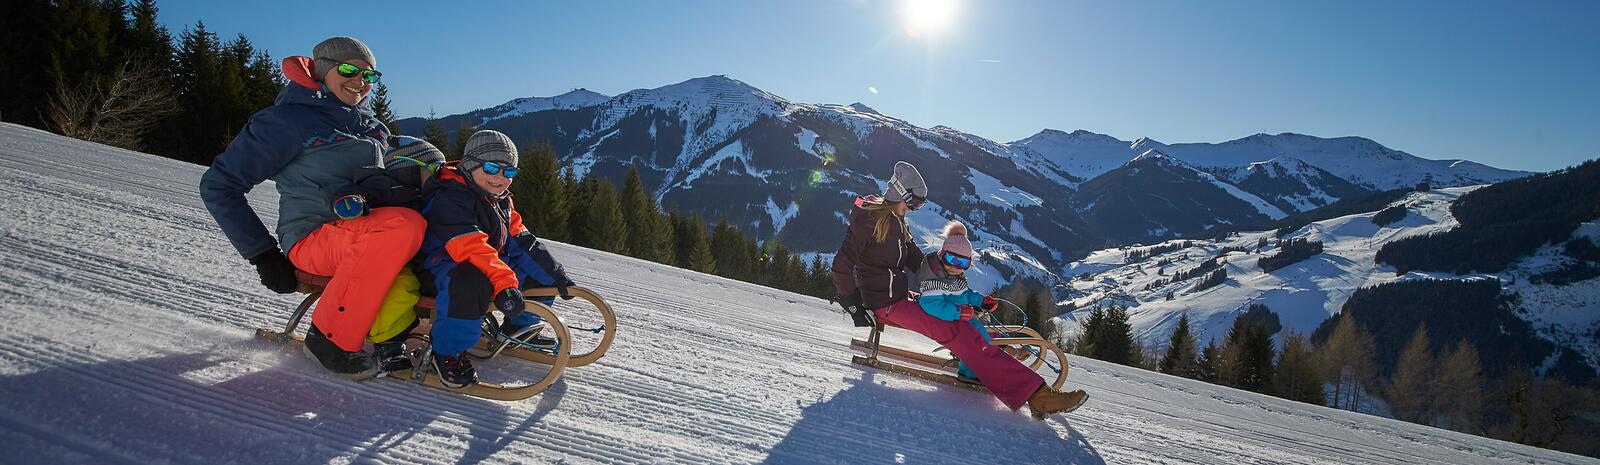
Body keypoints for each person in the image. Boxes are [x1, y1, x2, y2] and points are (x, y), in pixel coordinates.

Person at [199, 36, 425, 380]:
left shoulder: (372, 127)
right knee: (402, 225)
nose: (360, 82)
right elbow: (219, 185)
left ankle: (425, 327)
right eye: (349, 69)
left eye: (370, 76)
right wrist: (263, 255)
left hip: (365, 232)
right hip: (313, 237)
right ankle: (330, 339)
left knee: (433, 222)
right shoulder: (287, 121)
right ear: (321, 70)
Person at [832, 161, 1087, 418]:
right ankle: (1037, 396)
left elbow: (916, 261)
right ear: (904, 196)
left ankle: (982, 364)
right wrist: (853, 304)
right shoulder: (871, 222)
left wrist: (943, 269)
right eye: (916, 203)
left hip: (898, 297)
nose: (915, 209)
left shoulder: (896, 221)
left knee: (961, 320)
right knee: (959, 329)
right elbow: (841, 265)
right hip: (886, 303)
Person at [416, 130, 576, 388]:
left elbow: (524, 243)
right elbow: (470, 247)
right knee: (471, 284)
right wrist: (504, 283)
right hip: (442, 268)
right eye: (491, 167)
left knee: (536, 272)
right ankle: (447, 353)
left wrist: (556, 275)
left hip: (483, 264)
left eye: (509, 172)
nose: (500, 178)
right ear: (470, 164)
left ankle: (517, 329)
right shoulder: (451, 197)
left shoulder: (500, 201)